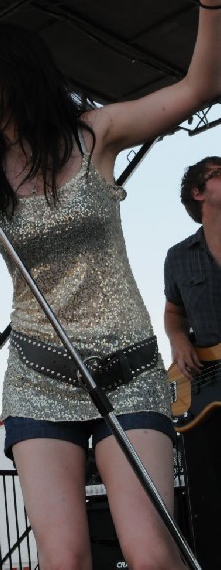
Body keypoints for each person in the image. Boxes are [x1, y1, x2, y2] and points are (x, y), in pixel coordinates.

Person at [0, 0, 221, 568]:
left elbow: (200, 86)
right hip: (40, 376)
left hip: (127, 368)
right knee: (65, 557)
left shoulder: (95, 134)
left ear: (16, 63)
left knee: (151, 552)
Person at [164, 155, 221, 568]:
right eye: (218, 175)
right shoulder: (179, 255)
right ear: (198, 194)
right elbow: (174, 313)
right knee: (212, 501)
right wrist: (178, 340)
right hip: (205, 390)